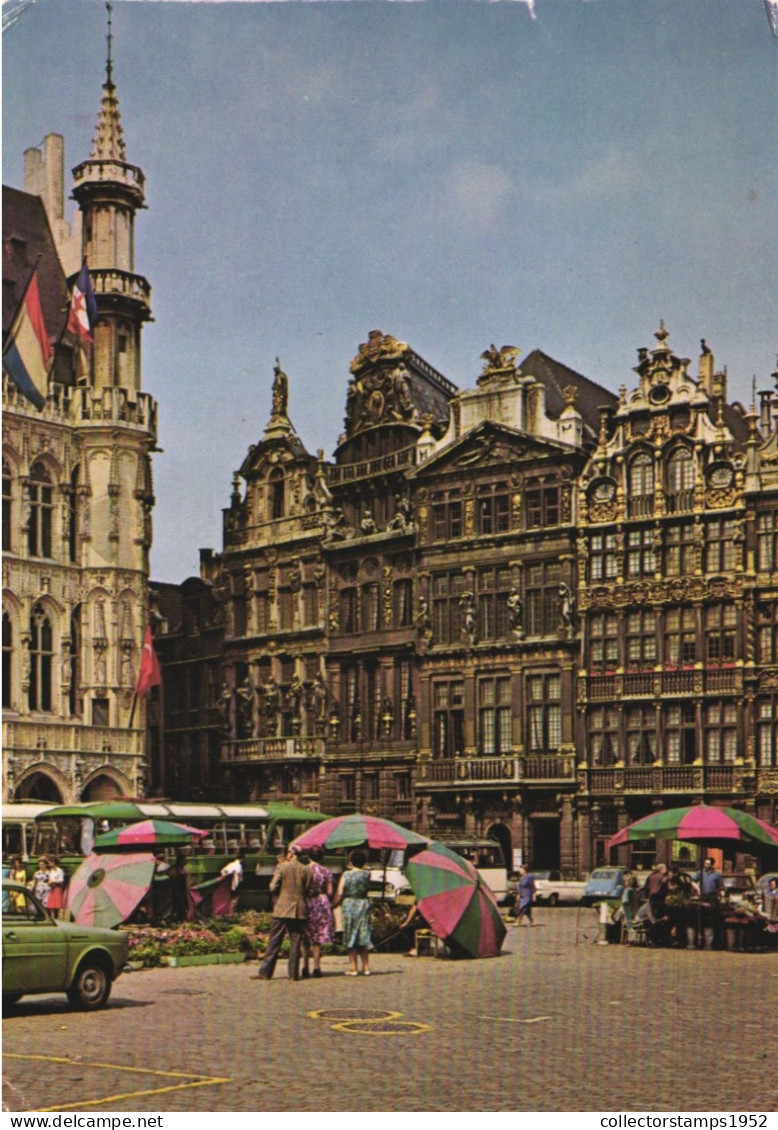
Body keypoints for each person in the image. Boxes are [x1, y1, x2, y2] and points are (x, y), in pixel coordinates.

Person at [252, 845, 314, 981]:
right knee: (296, 942)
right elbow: (310, 891)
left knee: (274, 941)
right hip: (300, 909)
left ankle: (266, 972)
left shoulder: (282, 867)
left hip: (282, 908)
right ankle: (293, 974)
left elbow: (272, 886)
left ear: (291, 854)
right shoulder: (307, 870)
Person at [333, 849, 373, 975]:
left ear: (351, 861)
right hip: (363, 903)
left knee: (351, 934)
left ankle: (353, 967)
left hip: (349, 905)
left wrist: (333, 905)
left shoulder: (346, 875)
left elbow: (339, 893)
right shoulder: (367, 874)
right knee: (363, 934)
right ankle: (366, 967)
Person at [301, 846, 335, 979]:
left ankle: (305, 966)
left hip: (307, 902)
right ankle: (317, 967)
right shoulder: (326, 871)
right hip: (321, 902)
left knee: (305, 936)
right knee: (317, 938)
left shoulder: (303, 870)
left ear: (309, 856)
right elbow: (330, 891)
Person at [693, 856, 725, 949]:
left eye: (708, 864)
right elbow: (693, 881)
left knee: (712, 918)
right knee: (701, 917)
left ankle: (712, 943)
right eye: (705, 863)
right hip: (703, 897)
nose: (706, 865)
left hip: (712, 897)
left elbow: (721, 887)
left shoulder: (717, 874)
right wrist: (697, 888)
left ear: (712, 865)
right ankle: (701, 941)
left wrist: (722, 897)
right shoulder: (701, 873)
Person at [46, 855, 66, 919]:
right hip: (51, 889)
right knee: (50, 905)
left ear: (54, 862)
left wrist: (54, 882)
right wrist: (49, 882)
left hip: (57, 889)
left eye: (50, 862)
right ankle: (52, 917)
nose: (49, 864)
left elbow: (61, 881)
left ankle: (56, 917)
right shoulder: (51, 870)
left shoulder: (59, 871)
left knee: (56, 906)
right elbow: (49, 878)